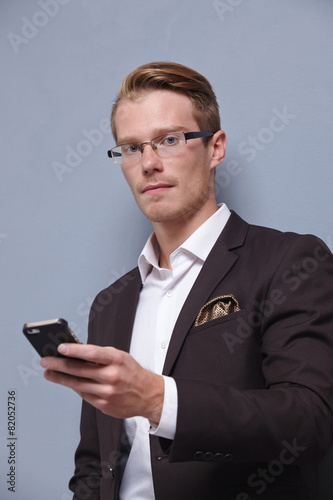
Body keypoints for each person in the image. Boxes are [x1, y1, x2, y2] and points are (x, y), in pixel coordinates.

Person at [41, 62, 333, 500]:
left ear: (215, 148)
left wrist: (158, 400)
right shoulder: (110, 303)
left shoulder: (290, 261)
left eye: (169, 140)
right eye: (131, 148)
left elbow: (311, 420)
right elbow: (95, 462)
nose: (149, 163)